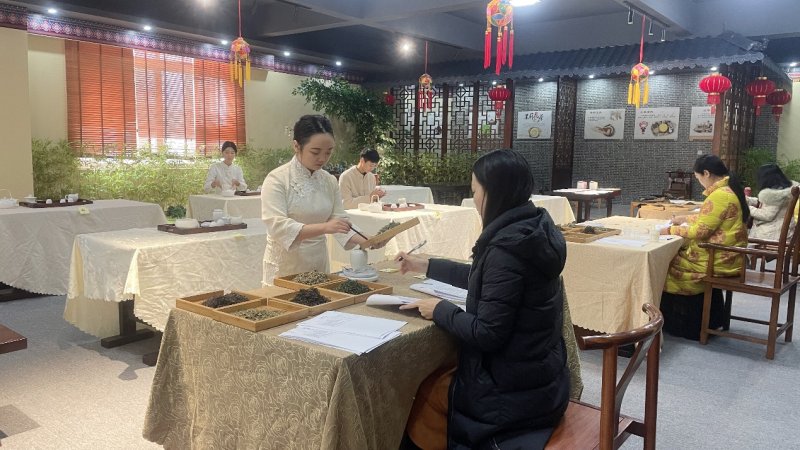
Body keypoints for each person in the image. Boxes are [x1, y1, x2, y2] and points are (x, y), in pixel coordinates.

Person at [397, 149, 570, 450]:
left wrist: (439, 309)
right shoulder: (531, 230)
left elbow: (487, 333)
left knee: (419, 393)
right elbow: (487, 280)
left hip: (512, 397)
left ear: (494, 192)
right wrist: (426, 265)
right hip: (542, 378)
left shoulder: (507, 249)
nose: (474, 199)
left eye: (475, 191)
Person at [260, 115, 381, 285]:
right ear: (296, 146)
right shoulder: (277, 179)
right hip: (285, 267)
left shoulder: (329, 180)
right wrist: (325, 227)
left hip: (318, 263)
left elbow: (340, 221)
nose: (322, 158)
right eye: (315, 152)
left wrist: (368, 239)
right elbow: (278, 226)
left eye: (328, 152)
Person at [659, 154, 749, 339]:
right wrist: (685, 219)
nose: (700, 182)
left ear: (706, 173)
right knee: (678, 253)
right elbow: (711, 219)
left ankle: (683, 324)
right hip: (729, 256)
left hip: (715, 258)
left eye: (698, 177)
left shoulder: (719, 195)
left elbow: (700, 231)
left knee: (667, 263)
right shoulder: (730, 190)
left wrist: (669, 230)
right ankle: (712, 319)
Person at [746, 163, 797, 241]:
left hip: (771, 235)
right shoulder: (784, 189)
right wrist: (747, 200)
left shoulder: (776, 195)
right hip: (780, 231)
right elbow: (764, 203)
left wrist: (746, 208)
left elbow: (766, 215)